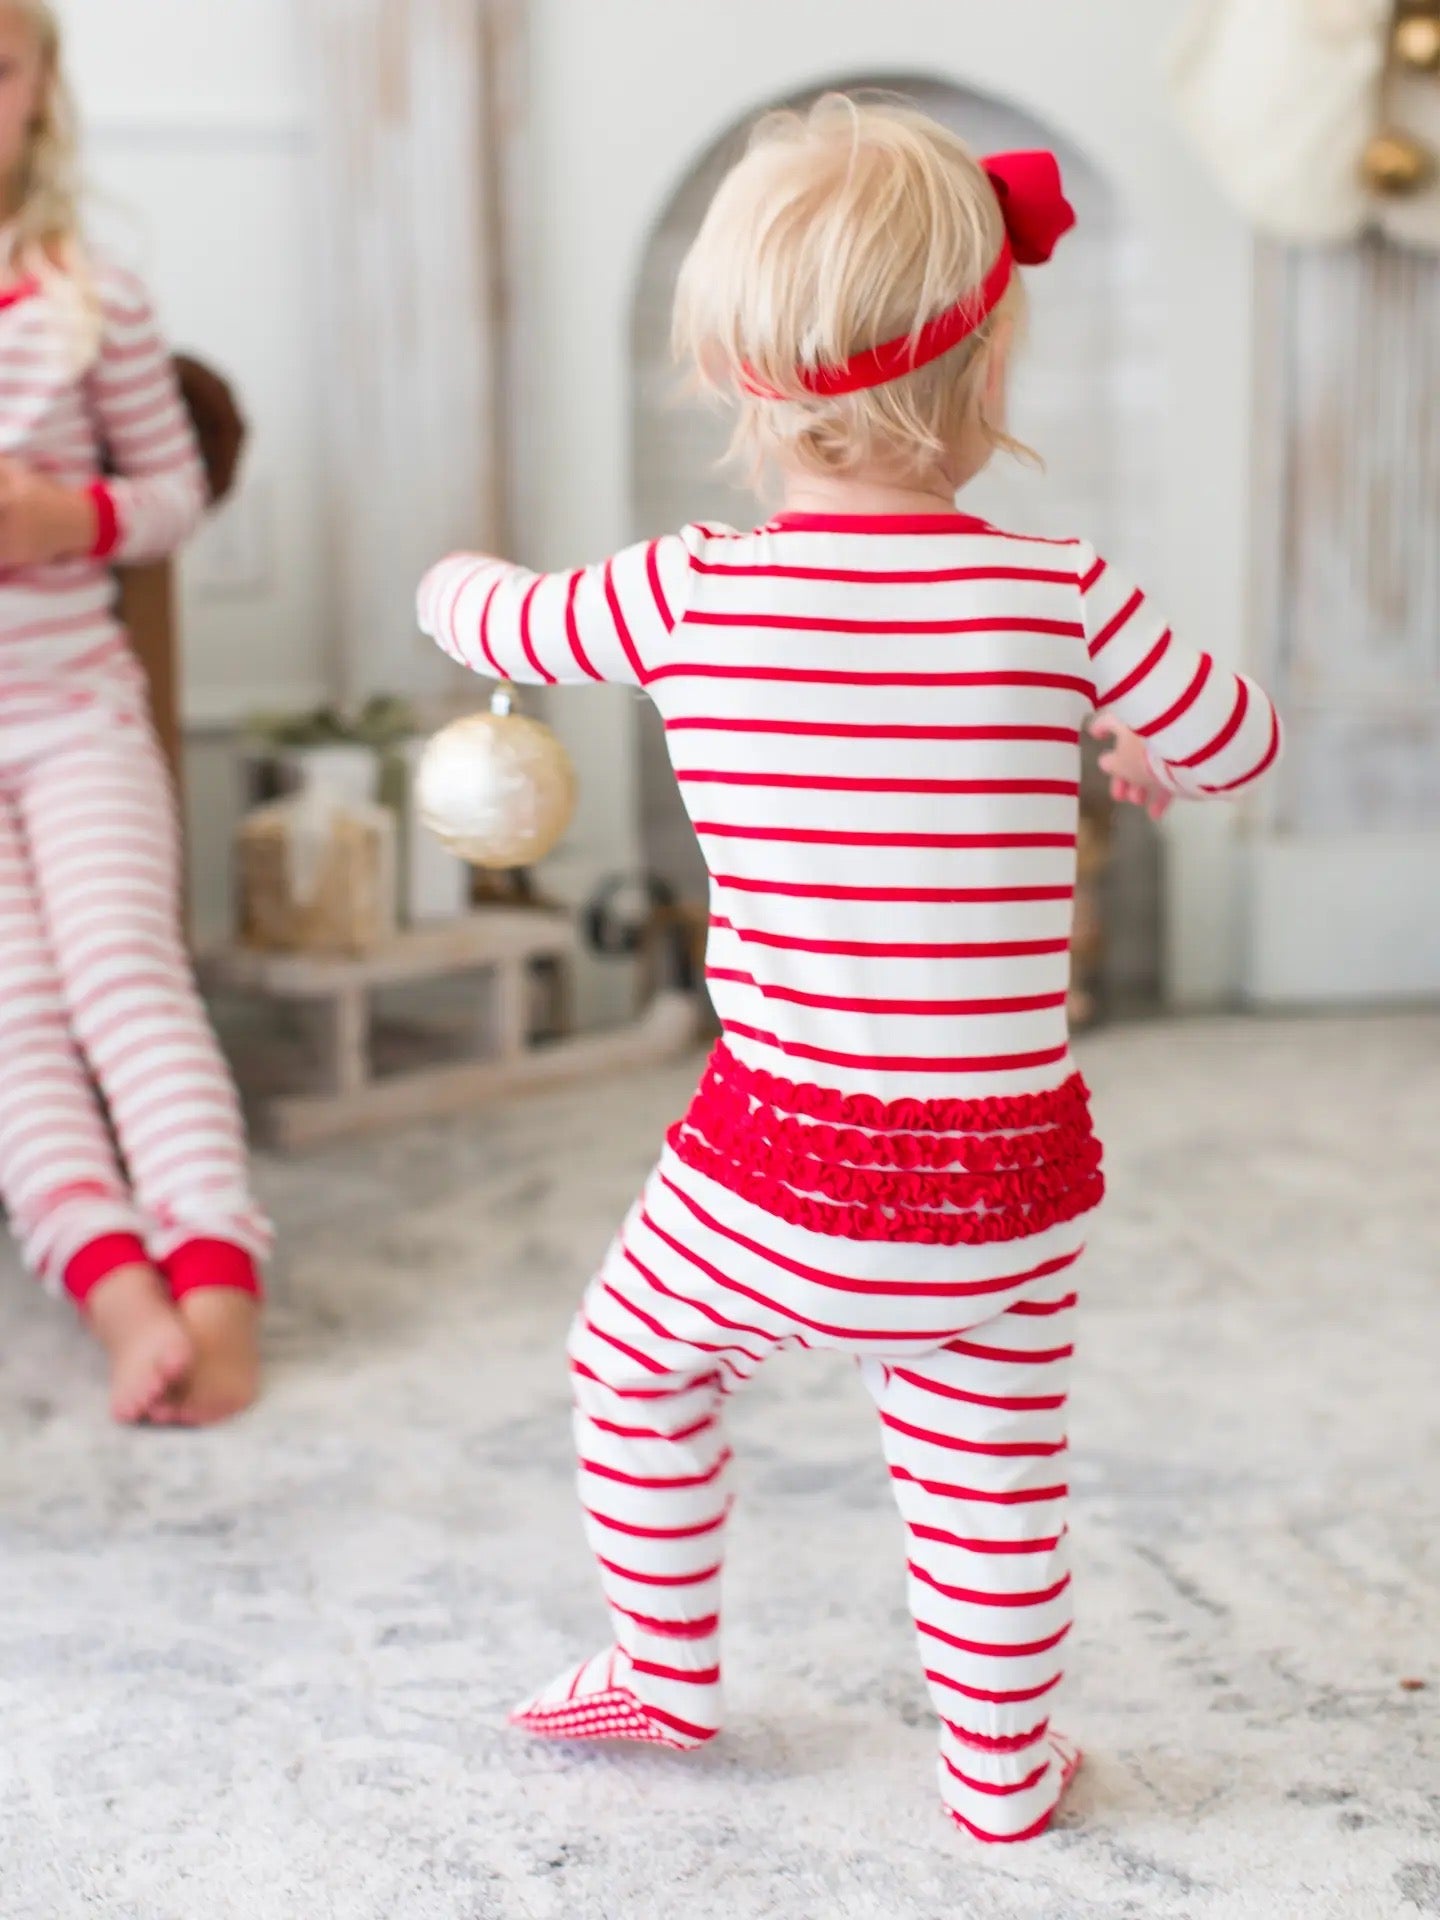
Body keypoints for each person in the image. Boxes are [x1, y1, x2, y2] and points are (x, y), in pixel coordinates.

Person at [417, 98, 1281, 1843]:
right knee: (989, 1479)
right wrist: (1156, 757)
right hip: (1010, 1182)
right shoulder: (1066, 599)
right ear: (989, 373)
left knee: (631, 1367)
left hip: (783, 1176)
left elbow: (495, 618)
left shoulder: (685, 594)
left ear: (742, 381)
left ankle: (664, 1676)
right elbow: (1245, 742)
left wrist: (445, 581)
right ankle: (1001, 1775)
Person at [0, 1, 268, 1425]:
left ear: (39, 92)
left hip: (72, 709)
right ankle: (119, 1299)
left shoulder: (88, 296)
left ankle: (216, 1283)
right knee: (14, 1029)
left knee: (123, 975)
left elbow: (172, 498)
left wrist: (63, 512)